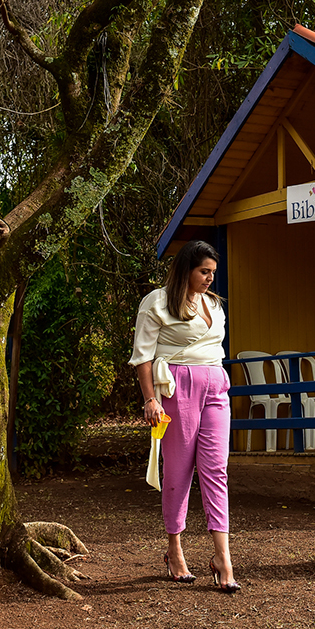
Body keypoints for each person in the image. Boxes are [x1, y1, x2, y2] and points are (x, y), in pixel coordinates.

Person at [130, 239, 241, 593]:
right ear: (186, 270)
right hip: (177, 387)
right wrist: (150, 400)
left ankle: (222, 557)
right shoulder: (157, 302)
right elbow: (143, 356)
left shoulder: (214, 304)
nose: (210, 278)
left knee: (216, 469)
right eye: (203, 272)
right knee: (178, 471)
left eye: (213, 272)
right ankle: (174, 549)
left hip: (216, 385)